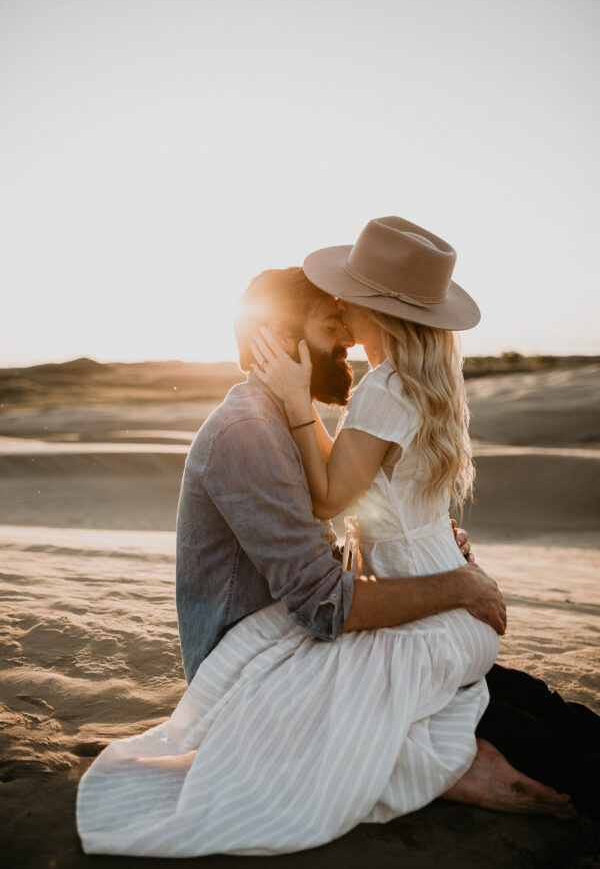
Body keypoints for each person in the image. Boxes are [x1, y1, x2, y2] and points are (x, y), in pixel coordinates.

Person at [76, 218, 597, 859]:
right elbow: (324, 603)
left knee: (506, 693)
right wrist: (452, 581)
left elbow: (346, 517)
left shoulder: (291, 417)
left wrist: (427, 543)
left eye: (349, 319)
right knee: (489, 707)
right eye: (332, 328)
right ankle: (454, 766)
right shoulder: (249, 432)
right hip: (260, 661)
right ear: (281, 340)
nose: (346, 338)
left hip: (304, 630)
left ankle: (464, 756)